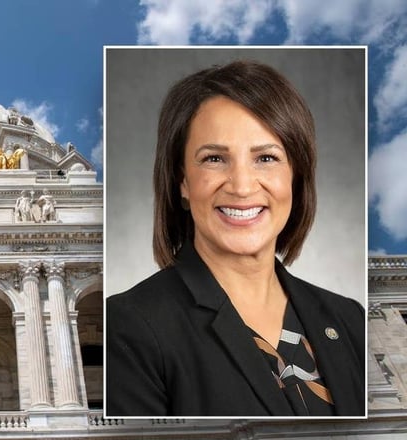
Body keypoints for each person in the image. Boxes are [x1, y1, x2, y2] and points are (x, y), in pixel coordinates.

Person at [105, 60, 364, 417]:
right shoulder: (129, 325)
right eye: (214, 158)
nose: (242, 186)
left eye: (266, 158)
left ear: (296, 176)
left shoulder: (349, 317)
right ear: (181, 181)